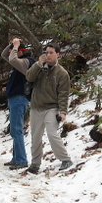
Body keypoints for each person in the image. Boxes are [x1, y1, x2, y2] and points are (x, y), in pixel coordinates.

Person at [24, 43, 73, 173]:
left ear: (58, 54)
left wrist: (63, 112)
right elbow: (29, 77)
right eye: (46, 52)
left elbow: (63, 94)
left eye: (51, 52)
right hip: (36, 107)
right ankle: (35, 163)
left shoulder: (62, 73)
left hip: (52, 108)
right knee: (35, 137)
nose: (48, 55)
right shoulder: (39, 67)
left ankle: (65, 159)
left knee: (52, 133)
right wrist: (38, 65)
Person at [1, 37, 34, 169]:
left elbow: (12, 59)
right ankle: (16, 158)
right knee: (15, 130)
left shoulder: (26, 62)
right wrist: (12, 45)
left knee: (17, 130)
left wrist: (15, 46)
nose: (12, 53)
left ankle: (21, 160)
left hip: (20, 99)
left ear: (20, 51)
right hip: (16, 99)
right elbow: (4, 55)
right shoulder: (20, 61)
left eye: (15, 51)